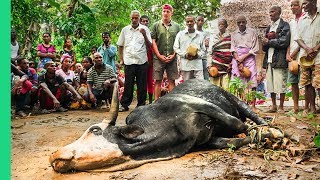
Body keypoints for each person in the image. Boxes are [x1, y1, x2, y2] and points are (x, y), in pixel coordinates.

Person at [117, 10, 151, 111]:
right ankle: (124, 104)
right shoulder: (125, 30)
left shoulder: (145, 29)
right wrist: (121, 59)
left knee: (142, 84)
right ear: (130, 18)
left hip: (141, 61)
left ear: (139, 19)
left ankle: (141, 105)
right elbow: (120, 45)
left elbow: (149, 45)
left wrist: (144, 34)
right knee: (128, 84)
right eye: (133, 18)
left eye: (136, 18)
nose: (134, 20)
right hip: (129, 61)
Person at [262, 6, 290, 113]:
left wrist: (269, 41)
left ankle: (281, 107)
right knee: (271, 84)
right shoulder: (269, 27)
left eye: (272, 12)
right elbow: (265, 47)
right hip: (269, 58)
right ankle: (274, 106)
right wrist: (265, 43)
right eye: (269, 12)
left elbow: (284, 41)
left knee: (280, 83)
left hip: (279, 59)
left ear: (278, 12)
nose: (270, 14)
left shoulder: (284, 26)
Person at [151, 4, 181, 100]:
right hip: (158, 58)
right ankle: (156, 103)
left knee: (171, 81)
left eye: (168, 11)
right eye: (164, 11)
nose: (165, 13)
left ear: (171, 13)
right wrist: (159, 55)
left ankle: (171, 103)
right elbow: (153, 42)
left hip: (172, 58)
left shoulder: (176, 26)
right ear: (161, 12)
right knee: (158, 80)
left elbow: (178, 42)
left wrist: (174, 54)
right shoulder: (156, 25)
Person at [230, 15, 259, 112]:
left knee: (253, 81)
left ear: (246, 22)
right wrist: (238, 60)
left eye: (243, 22)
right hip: (237, 58)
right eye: (239, 22)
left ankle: (253, 106)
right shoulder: (234, 34)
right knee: (237, 81)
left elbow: (255, 48)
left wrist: (243, 57)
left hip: (249, 58)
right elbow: (233, 48)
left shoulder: (252, 32)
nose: (241, 24)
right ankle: (240, 106)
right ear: (237, 23)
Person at [296, 0, 320, 115]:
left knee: (319, 84)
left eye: (305, 3)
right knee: (307, 84)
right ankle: (312, 108)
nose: (303, 6)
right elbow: (298, 38)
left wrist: (315, 49)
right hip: (305, 57)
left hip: (319, 57)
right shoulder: (302, 19)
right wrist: (307, 49)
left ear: (313, 2)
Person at [173, 15, 205, 80]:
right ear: (186, 22)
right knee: (187, 86)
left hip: (197, 65)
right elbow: (175, 47)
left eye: (191, 21)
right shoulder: (180, 34)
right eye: (188, 22)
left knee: (200, 85)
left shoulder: (200, 35)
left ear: (195, 22)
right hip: (186, 65)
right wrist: (185, 55)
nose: (189, 23)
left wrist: (197, 55)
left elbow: (204, 50)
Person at [286, 0, 304, 113]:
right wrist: (288, 53)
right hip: (292, 57)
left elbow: (303, 39)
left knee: (307, 83)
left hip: (302, 54)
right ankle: (296, 107)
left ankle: (307, 107)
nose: (293, 7)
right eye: (291, 5)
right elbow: (290, 40)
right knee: (293, 82)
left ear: (301, 6)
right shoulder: (291, 22)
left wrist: (295, 51)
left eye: (295, 5)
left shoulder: (305, 19)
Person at [207, 18, 232, 90]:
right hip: (215, 66)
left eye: (223, 24)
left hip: (226, 67)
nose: (221, 26)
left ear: (226, 26)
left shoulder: (230, 37)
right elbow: (210, 52)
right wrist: (209, 65)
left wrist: (231, 64)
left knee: (226, 88)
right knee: (215, 89)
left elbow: (232, 52)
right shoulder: (213, 37)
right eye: (219, 24)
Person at [140, 14, 155, 104]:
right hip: (139, 59)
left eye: (146, 21)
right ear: (140, 22)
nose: (145, 22)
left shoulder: (150, 32)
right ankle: (142, 101)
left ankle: (150, 101)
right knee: (141, 80)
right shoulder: (136, 32)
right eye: (143, 21)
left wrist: (151, 60)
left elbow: (151, 46)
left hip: (149, 59)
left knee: (150, 80)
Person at [196, 15, 210, 80]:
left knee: (205, 76)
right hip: (194, 58)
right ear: (195, 21)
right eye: (198, 20)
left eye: (202, 21)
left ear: (204, 22)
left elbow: (207, 44)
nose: (200, 22)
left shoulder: (206, 33)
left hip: (203, 58)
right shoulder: (192, 32)